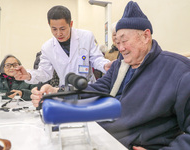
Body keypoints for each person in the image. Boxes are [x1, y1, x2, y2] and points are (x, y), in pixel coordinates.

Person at [30, 1, 190, 150]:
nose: (120, 48)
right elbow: (92, 91)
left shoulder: (178, 71)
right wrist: (56, 92)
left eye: (124, 41)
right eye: (117, 43)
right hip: (102, 137)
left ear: (146, 36)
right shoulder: (121, 66)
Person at [14, 5, 112, 86]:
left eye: (62, 28)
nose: (58, 33)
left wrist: (105, 65)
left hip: (88, 87)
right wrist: (28, 75)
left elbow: (96, 59)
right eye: (54, 29)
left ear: (71, 24)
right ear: (49, 25)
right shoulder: (47, 47)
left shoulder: (86, 36)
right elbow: (45, 73)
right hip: (65, 90)